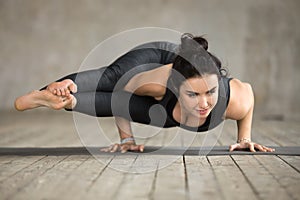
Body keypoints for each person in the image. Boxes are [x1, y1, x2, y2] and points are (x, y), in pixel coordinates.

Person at [14, 33, 275, 153]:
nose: (205, 104)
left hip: (172, 92)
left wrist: (244, 138)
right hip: (154, 59)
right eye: (193, 95)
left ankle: (67, 101)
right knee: (111, 78)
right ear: (175, 88)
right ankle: (51, 91)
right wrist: (127, 139)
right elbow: (120, 94)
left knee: (141, 110)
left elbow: (248, 98)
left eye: (210, 92)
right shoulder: (159, 82)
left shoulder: (232, 99)